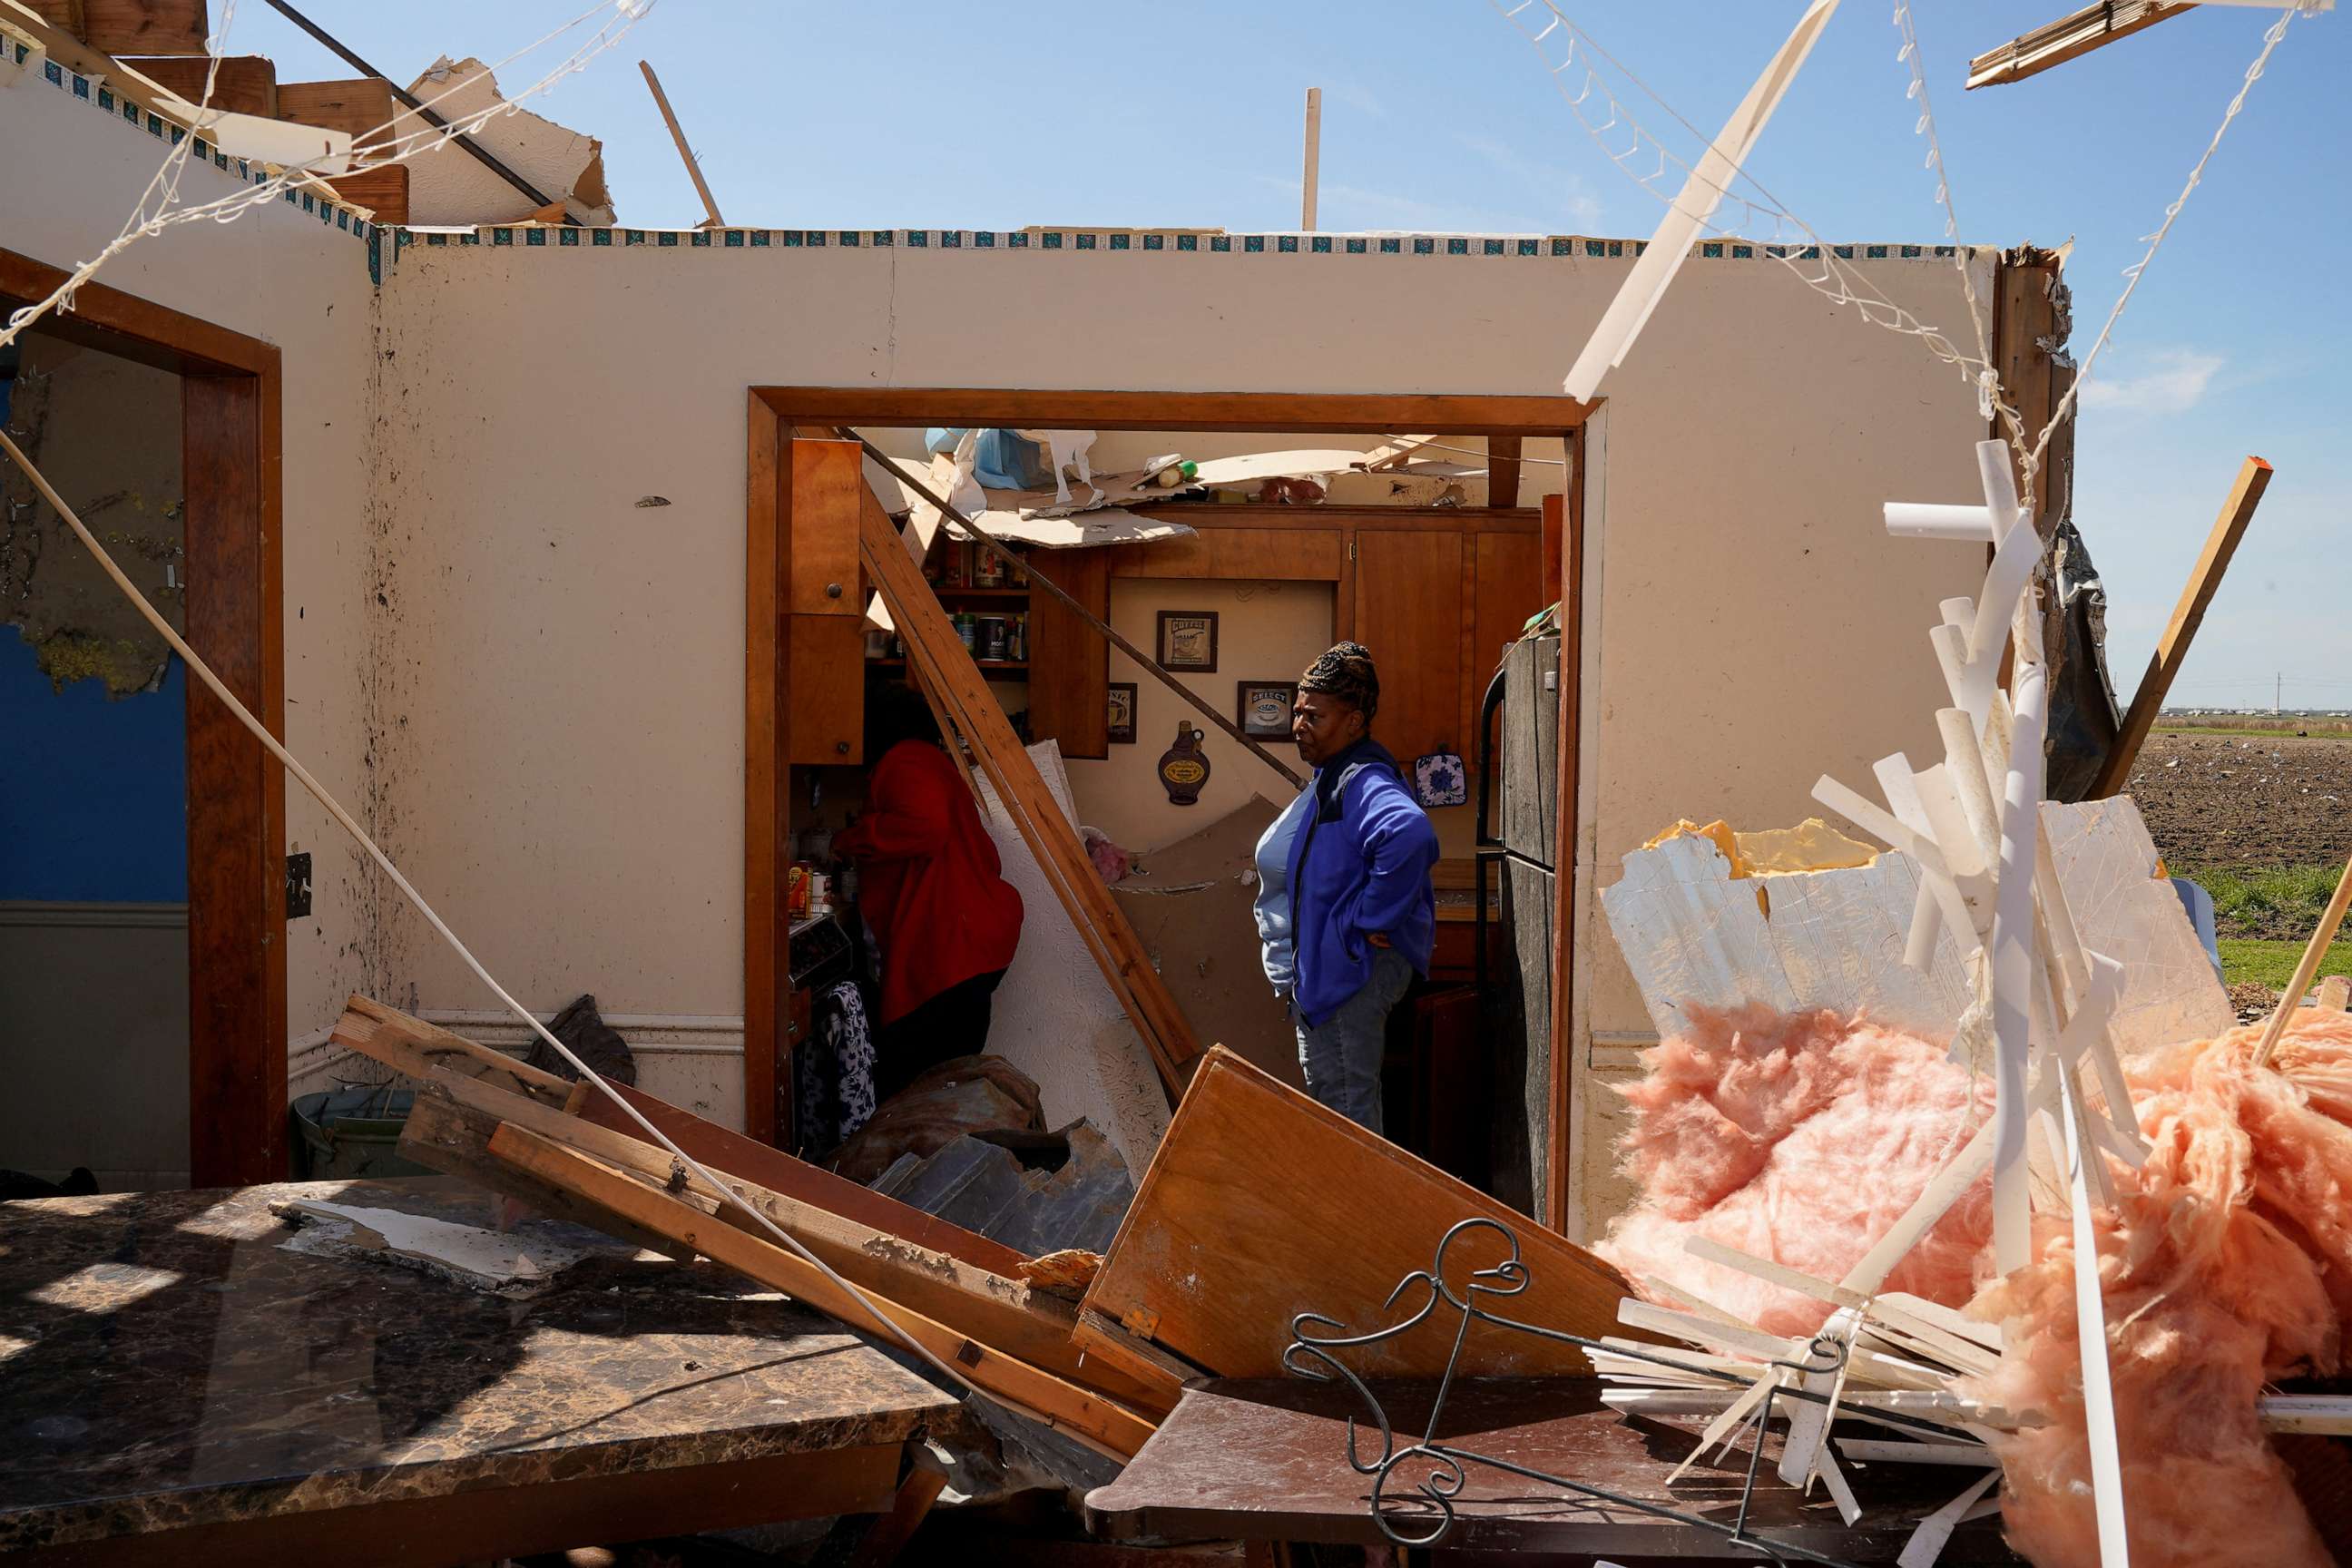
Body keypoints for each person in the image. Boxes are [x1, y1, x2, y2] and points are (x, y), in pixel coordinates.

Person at [1252, 642, 1438, 1134]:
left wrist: (1372, 919)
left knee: (1347, 1115)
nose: (1299, 726)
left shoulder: (1362, 779)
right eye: (1296, 713)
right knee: (1338, 1104)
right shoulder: (1334, 777)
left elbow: (1409, 834)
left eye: (1315, 716)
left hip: (1348, 977)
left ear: (1354, 722)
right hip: (1333, 972)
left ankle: (1362, 1213)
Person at [833, 684, 1024, 1100]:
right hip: (969, 940)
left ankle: (915, 1161)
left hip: (949, 946)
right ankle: (944, 1159)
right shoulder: (930, 762)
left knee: (915, 1081)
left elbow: (927, 826)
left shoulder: (907, 761)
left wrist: (853, 838)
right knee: (944, 1081)